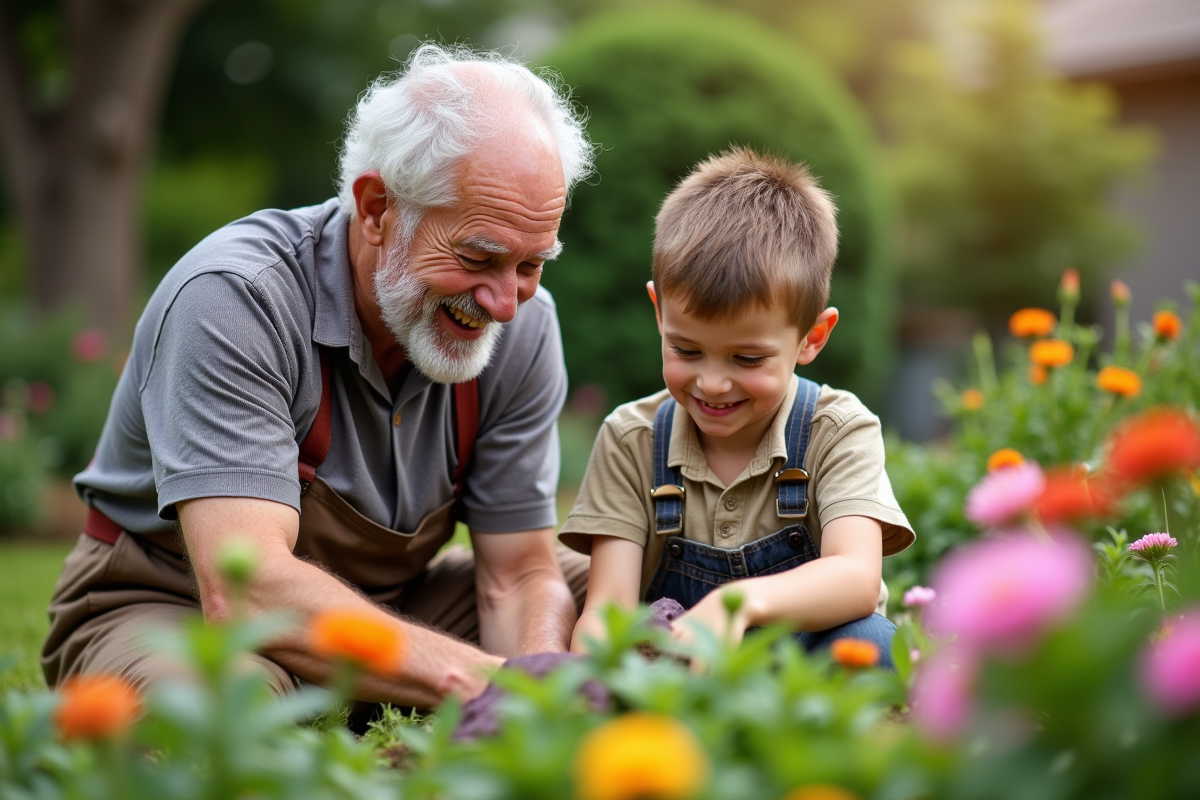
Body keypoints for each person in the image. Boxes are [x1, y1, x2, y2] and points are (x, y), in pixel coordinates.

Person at [41, 43, 597, 706]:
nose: (505, 301)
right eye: (479, 257)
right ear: (375, 210)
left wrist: (538, 691)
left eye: (531, 265)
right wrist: (493, 685)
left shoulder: (523, 325)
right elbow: (248, 591)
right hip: (176, 606)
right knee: (215, 718)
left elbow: (516, 573)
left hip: (400, 603)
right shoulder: (235, 298)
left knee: (634, 599)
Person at [560, 148, 914, 665]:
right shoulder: (632, 437)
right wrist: (599, 670)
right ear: (660, 312)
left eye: (747, 358)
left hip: (795, 656)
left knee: (874, 645)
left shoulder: (837, 429)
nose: (712, 383)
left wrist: (738, 605)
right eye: (686, 350)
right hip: (676, 664)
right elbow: (606, 610)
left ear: (813, 337)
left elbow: (857, 578)